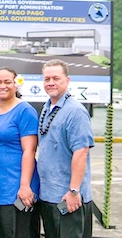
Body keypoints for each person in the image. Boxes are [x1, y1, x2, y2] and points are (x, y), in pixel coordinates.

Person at [38, 59, 93, 238]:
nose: (51, 83)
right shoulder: (47, 108)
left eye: (56, 78)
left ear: (67, 81)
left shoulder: (75, 111)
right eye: (47, 79)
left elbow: (81, 152)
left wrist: (74, 191)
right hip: (48, 196)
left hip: (68, 199)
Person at [0, 67, 40, 238]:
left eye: (7, 82)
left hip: (16, 188)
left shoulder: (25, 111)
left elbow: (29, 150)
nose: (2, 86)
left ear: (16, 84)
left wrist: (24, 186)